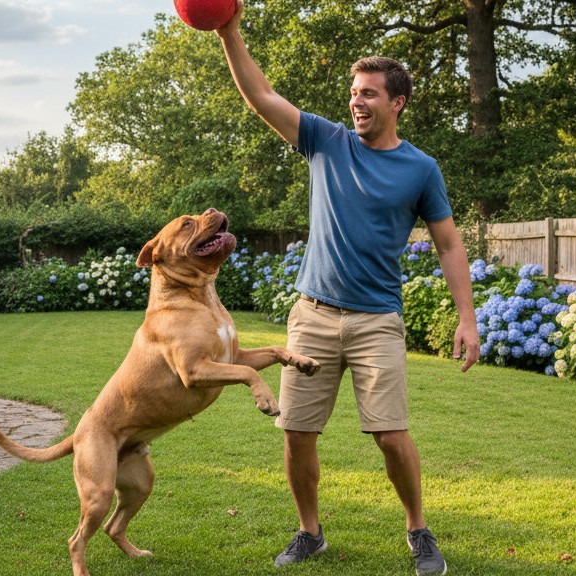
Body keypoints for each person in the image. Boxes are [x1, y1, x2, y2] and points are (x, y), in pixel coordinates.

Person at [216, 3, 480, 575]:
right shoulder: (325, 141)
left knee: (389, 435)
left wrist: (468, 318)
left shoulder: (421, 169)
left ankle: (418, 528)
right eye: (354, 93)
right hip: (311, 316)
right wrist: (228, 30)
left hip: (376, 319)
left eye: (369, 94)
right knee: (297, 432)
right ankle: (310, 532)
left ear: (397, 103)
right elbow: (260, 96)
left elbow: (449, 245)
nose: (357, 102)